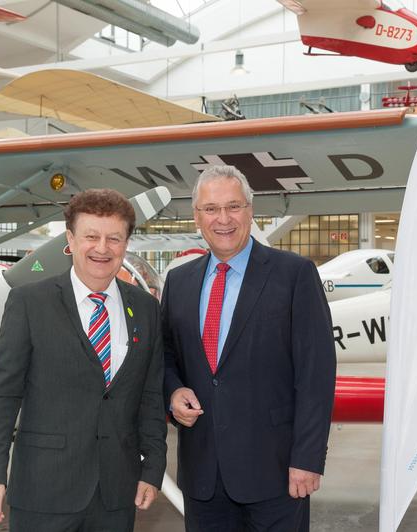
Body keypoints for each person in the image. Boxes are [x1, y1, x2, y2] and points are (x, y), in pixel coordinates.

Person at [0, 188, 167, 531]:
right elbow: (3, 396)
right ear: (70, 239)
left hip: (116, 494)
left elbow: (150, 397)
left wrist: (152, 469)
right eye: (91, 236)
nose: (102, 248)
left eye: (114, 238)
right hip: (43, 491)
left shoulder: (146, 309)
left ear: (126, 244)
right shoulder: (29, 303)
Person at [161, 165, 336, 531]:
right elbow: (165, 357)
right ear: (197, 217)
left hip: (276, 474)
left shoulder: (294, 274)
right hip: (203, 476)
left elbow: (315, 373)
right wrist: (173, 391)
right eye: (210, 209)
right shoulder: (178, 282)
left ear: (250, 211)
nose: (222, 219)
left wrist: (307, 458)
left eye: (233, 206)